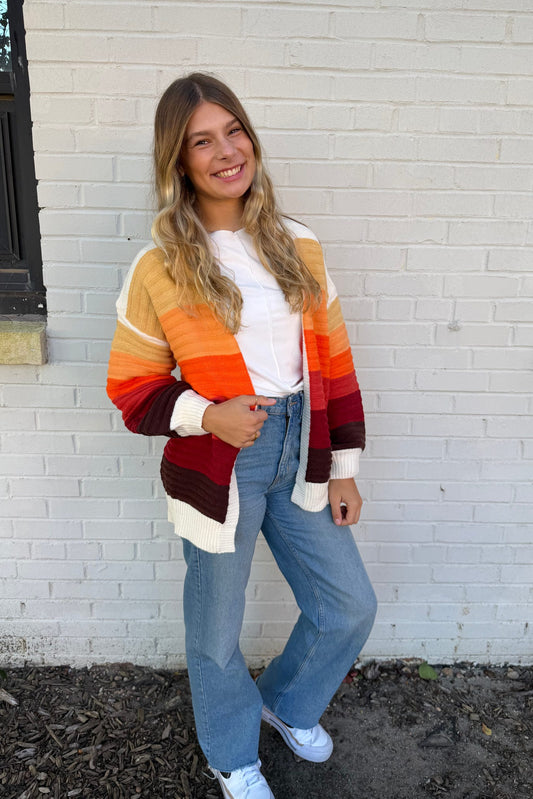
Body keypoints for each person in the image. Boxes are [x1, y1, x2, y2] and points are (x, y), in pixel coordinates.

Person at [107, 72, 377, 799]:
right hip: (221, 460)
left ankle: (285, 704)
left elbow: (336, 366)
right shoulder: (159, 264)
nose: (226, 151)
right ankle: (232, 753)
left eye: (233, 130)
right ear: (179, 161)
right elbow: (132, 391)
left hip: (303, 449)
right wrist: (208, 414)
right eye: (202, 140)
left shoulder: (300, 245)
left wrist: (343, 465)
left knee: (348, 603)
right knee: (215, 631)